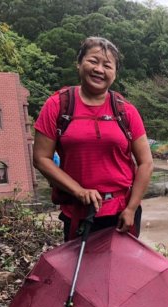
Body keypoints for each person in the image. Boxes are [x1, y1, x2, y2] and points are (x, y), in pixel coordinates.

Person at [33, 36, 153, 241]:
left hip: (121, 212)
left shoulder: (126, 111)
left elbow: (146, 163)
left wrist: (132, 208)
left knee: (120, 272)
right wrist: (79, 191)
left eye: (107, 65)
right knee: (80, 272)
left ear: (114, 74)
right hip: (79, 211)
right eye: (93, 61)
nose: (99, 69)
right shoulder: (57, 106)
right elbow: (41, 158)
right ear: (79, 63)